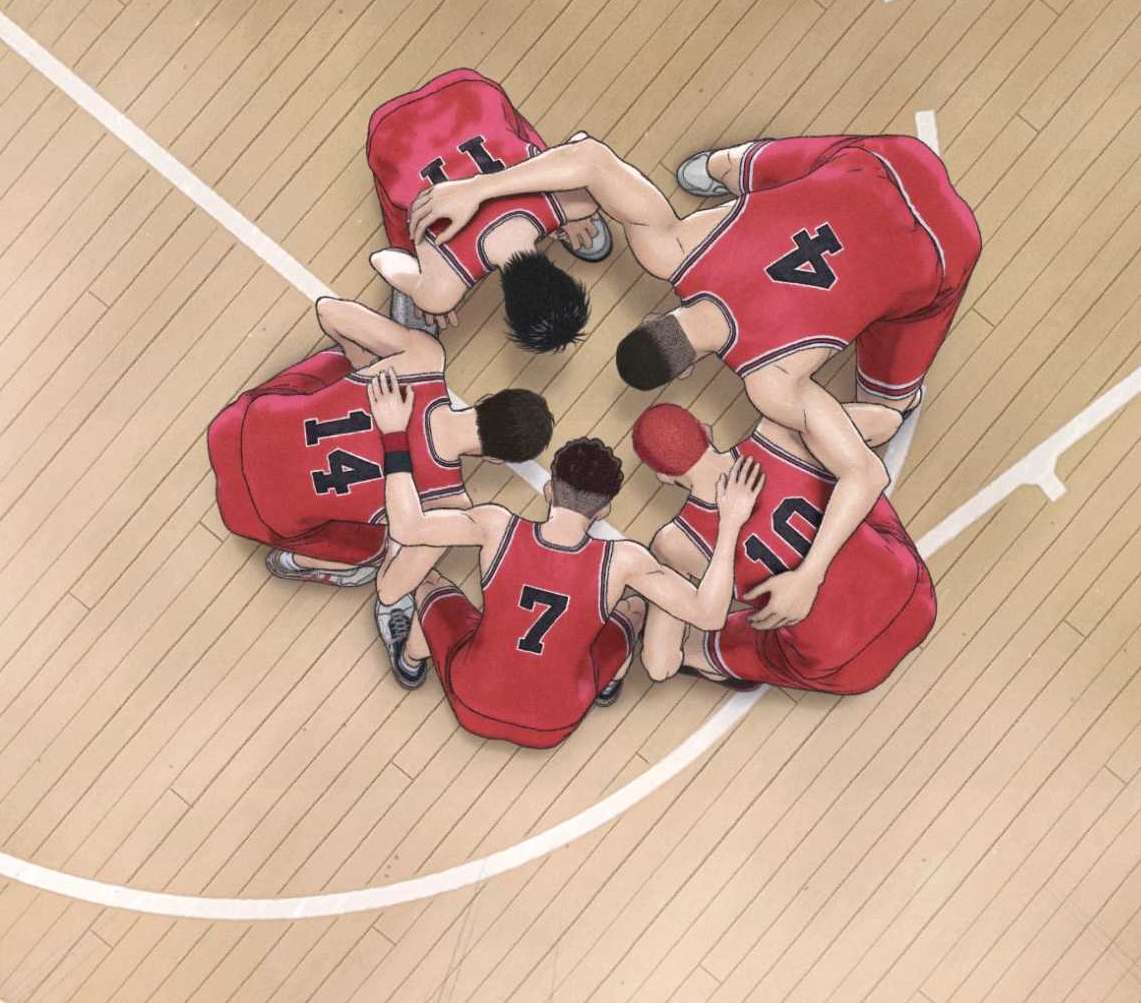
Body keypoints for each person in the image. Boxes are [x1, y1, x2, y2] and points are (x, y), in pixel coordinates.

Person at [407, 132, 978, 627]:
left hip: (944, 251)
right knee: (743, 171)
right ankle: (724, 165)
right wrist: (479, 187)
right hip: (883, 161)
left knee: (890, 406)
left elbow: (866, 471)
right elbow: (591, 158)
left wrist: (810, 575)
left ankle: (895, 393)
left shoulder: (774, 382)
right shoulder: (674, 248)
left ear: (683, 372)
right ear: (658, 322)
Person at [367, 371, 763, 748]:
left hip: (471, 701)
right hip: (553, 723)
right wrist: (729, 523)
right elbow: (709, 615)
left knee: (429, 583)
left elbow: (407, 526)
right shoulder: (623, 560)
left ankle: (409, 662)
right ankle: (608, 684)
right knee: (635, 610)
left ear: (549, 491)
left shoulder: (496, 526)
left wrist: (393, 433)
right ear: (604, 510)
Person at [206, 295, 555, 640]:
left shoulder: (425, 358)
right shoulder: (449, 505)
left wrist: (365, 365)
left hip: (231, 428)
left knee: (343, 366)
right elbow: (389, 591)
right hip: (248, 515)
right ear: (495, 458)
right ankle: (304, 563)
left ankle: (367, 364)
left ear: (485, 399)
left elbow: (328, 309)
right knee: (380, 547)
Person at [630, 402, 936, 694]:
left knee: (696, 639)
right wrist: (815, 439)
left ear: (664, 477)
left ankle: (717, 663)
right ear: (705, 430)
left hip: (849, 668)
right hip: (917, 598)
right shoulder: (780, 432)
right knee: (848, 479)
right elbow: (887, 422)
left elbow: (660, 665)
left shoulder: (674, 543)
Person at [365, 68, 610, 351]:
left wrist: (568, 212)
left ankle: (560, 218)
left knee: (534, 154)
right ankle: (418, 269)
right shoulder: (442, 291)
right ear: (509, 307)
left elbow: (581, 143)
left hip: (468, 90)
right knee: (410, 232)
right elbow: (383, 259)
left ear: (561, 275)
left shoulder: (578, 201)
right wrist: (424, 292)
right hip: (388, 133)